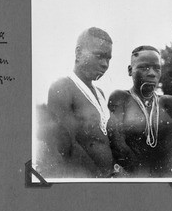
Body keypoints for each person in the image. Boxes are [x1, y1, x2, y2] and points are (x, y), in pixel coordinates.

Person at [36, 27, 114, 178]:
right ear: (78, 53)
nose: (105, 64)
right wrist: (99, 177)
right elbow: (67, 144)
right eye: (99, 56)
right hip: (85, 179)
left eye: (108, 58)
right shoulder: (62, 87)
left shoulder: (101, 94)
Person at [108, 46, 172, 178]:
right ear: (130, 70)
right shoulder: (120, 98)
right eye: (144, 68)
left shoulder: (169, 103)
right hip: (133, 177)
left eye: (157, 68)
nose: (152, 73)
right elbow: (118, 144)